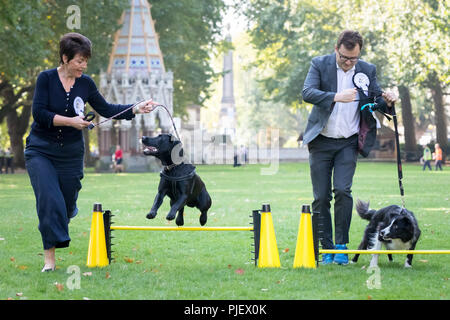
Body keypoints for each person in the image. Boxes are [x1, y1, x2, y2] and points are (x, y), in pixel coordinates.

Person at [24, 33, 156, 272]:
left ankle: (66, 210)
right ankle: (49, 261)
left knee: (64, 202)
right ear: (65, 58)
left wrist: (136, 108)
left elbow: (106, 108)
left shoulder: (86, 84)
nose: (84, 65)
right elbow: (39, 114)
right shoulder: (46, 79)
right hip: (41, 150)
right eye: (79, 60)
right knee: (48, 198)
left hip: (72, 154)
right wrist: (70, 122)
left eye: (86, 61)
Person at [302, 30, 397, 265]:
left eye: (353, 58)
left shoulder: (366, 69)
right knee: (321, 197)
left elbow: (375, 99)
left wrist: (387, 100)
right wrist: (336, 96)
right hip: (321, 141)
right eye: (345, 57)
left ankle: (342, 246)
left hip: (348, 141)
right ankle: (327, 248)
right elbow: (307, 92)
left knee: (343, 191)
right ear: (337, 49)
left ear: (359, 54)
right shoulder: (319, 64)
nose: (348, 62)